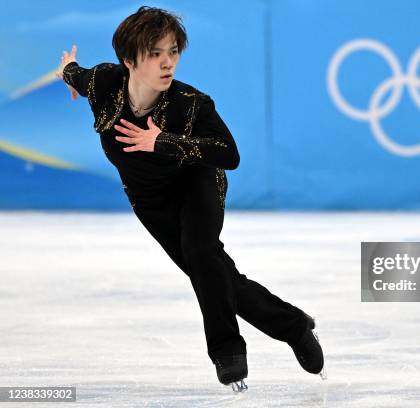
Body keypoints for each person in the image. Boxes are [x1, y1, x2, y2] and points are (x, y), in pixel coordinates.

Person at [55, 6, 325, 392]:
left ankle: (228, 352)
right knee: (214, 274)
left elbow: (228, 154)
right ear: (129, 61)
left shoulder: (192, 103)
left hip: (197, 182)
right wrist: (68, 70)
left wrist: (162, 141)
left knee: (201, 252)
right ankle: (295, 326)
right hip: (149, 201)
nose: (168, 63)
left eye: (173, 51)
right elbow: (76, 75)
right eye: (155, 54)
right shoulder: (103, 83)